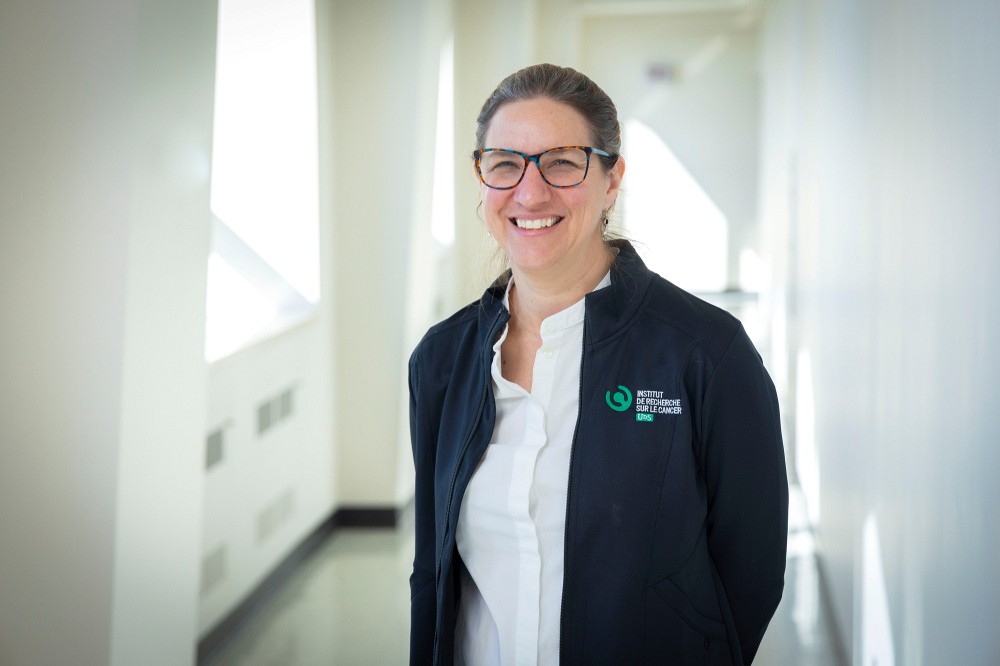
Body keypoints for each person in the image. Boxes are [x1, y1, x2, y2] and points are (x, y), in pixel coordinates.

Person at [408, 63, 787, 666]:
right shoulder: (441, 360)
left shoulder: (706, 354)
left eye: (562, 162)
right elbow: (433, 570)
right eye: (504, 163)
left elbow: (752, 570)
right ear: (482, 179)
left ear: (612, 181)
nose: (530, 192)